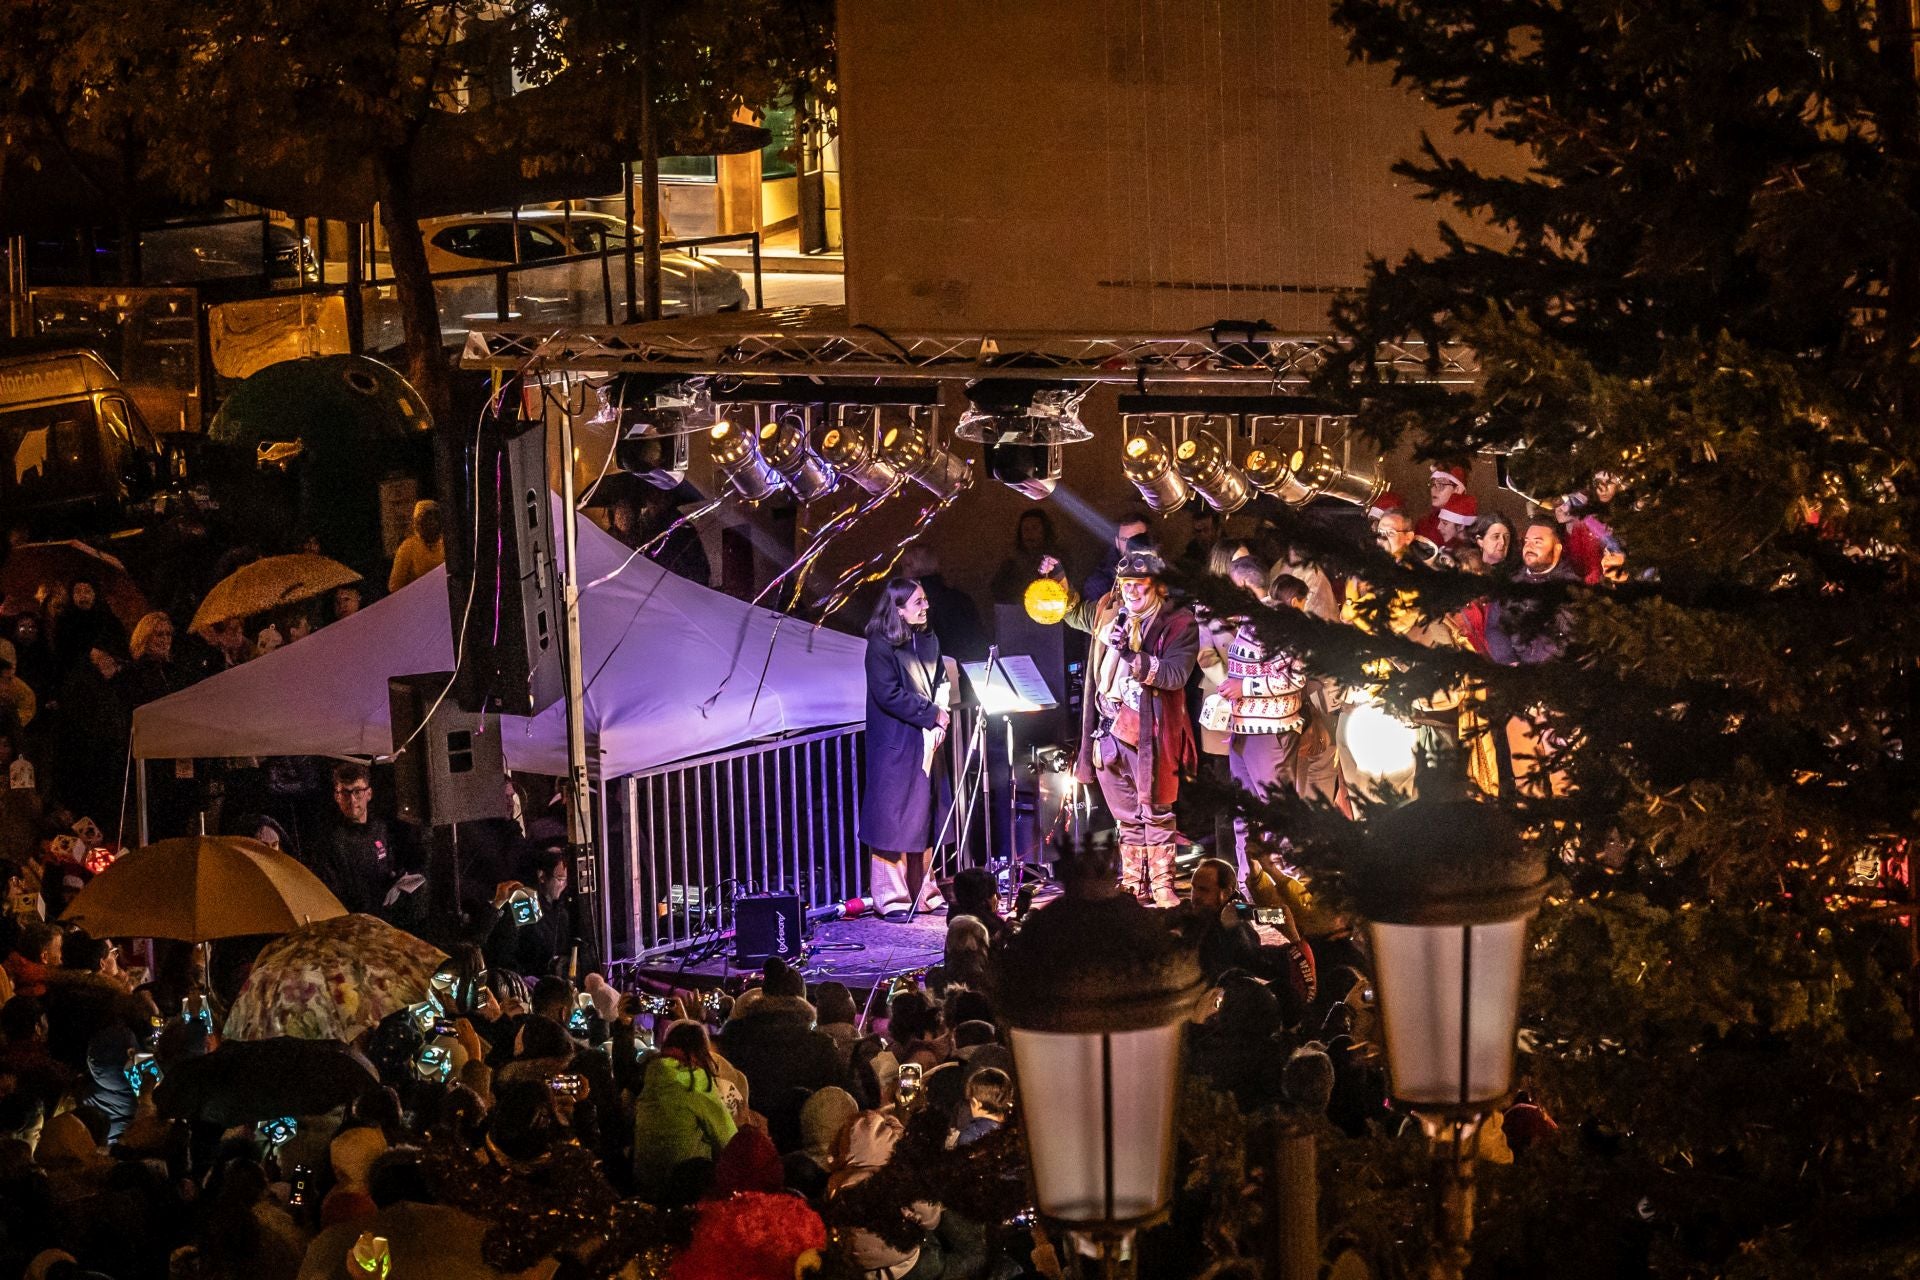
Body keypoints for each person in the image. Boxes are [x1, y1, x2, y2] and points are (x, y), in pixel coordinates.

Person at [1046, 547, 1198, 906]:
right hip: (1110, 730)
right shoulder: (1109, 611)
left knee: (1156, 811)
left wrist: (1131, 655)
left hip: (1151, 733)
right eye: (1125, 584)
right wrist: (1057, 581)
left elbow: (1175, 675)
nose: (1130, 592)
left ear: (1158, 587)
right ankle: (1134, 884)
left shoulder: (1178, 622)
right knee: (1126, 817)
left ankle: (1162, 885)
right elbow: (1073, 612)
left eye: (1139, 585)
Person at [857, 579, 951, 919]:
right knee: (893, 819)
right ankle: (891, 896)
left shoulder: (928, 639)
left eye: (925, 600)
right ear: (898, 609)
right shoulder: (880, 646)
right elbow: (887, 693)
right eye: (918, 602)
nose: (926, 607)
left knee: (924, 816)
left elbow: (941, 679)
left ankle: (925, 891)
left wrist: (942, 711)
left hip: (925, 741)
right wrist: (931, 714)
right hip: (896, 744)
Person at [632, 1020, 737, 1203]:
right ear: (701, 1051)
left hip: (644, 1186)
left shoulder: (651, 1075)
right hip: (685, 1190)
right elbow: (729, 1140)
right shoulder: (694, 1080)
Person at [310, 763, 411, 920]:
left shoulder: (379, 828)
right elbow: (328, 893)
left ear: (369, 794)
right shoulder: (331, 841)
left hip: (384, 919)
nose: (352, 799)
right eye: (345, 792)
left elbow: (387, 867)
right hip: (352, 924)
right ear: (337, 797)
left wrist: (397, 879)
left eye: (357, 792)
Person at [898, 546, 988, 662]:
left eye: (903, 568)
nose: (901, 574)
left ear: (910, 568)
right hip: (974, 669)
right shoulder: (962, 599)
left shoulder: (910, 605)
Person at [988, 507, 1065, 606]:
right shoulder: (1012, 562)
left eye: (1034, 528)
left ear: (1045, 531)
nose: (1029, 533)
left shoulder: (1057, 559)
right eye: (1025, 529)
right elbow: (996, 590)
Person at [1082, 511, 1151, 603]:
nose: (1130, 545)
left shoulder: (1161, 567)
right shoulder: (1098, 583)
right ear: (1117, 542)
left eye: (1136, 538)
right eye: (1125, 539)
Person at [387, 500, 446, 593]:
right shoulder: (408, 546)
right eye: (427, 518)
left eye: (435, 518)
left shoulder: (446, 543)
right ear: (418, 522)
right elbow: (394, 586)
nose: (433, 522)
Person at [1414, 463, 1469, 545]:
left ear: (1457, 489)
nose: (1433, 489)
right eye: (1433, 484)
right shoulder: (1423, 524)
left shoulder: (1469, 526)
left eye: (1441, 484)